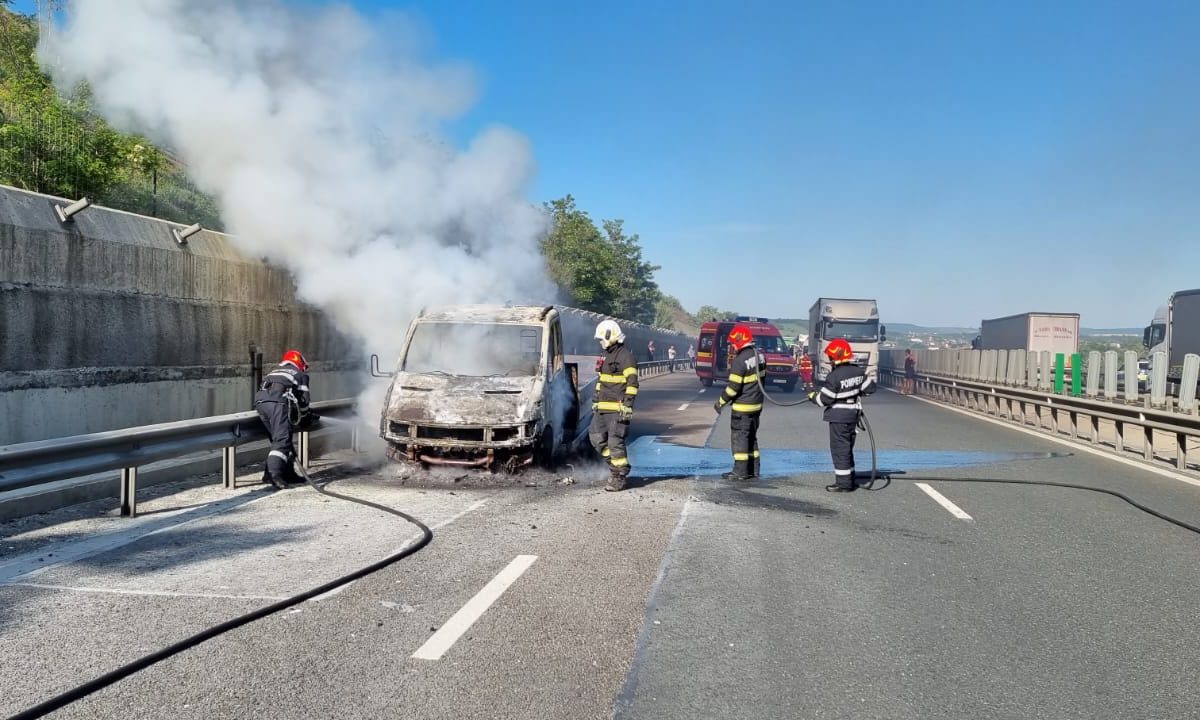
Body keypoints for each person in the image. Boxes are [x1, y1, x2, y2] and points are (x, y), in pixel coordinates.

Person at [809, 338, 875, 492]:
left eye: (830, 357)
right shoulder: (858, 371)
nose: (829, 360)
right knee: (847, 447)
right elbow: (870, 389)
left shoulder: (834, 376)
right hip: (853, 415)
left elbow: (824, 400)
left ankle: (843, 484)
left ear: (835, 357)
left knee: (840, 449)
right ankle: (850, 478)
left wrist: (812, 397)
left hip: (838, 417)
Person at [591, 320, 638, 491]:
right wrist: (595, 400)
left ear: (610, 335)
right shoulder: (607, 356)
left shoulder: (626, 357)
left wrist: (627, 405)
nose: (600, 342)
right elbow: (601, 382)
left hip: (617, 409)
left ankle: (619, 477)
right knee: (595, 437)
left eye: (602, 338)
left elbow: (632, 384)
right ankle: (616, 466)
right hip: (603, 408)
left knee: (615, 442)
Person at [713, 324, 765, 481]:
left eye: (733, 343)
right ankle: (753, 469)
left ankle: (740, 472)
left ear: (739, 341)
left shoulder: (739, 361)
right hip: (756, 405)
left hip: (742, 407)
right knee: (751, 437)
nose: (732, 347)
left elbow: (732, 388)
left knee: (740, 438)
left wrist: (720, 402)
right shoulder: (760, 356)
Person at [254, 349, 313, 489]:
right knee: (282, 440)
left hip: (260, 404)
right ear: (300, 362)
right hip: (278, 404)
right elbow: (304, 401)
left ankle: (286, 473)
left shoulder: (273, 372)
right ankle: (275, 476)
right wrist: (305, 417)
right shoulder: (300, 375)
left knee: (279, 440)